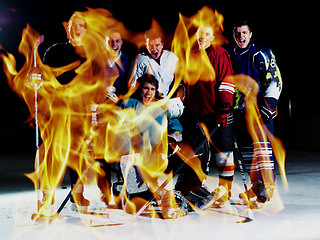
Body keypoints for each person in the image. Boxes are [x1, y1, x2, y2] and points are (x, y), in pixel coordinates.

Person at [176, 25, 235, 208]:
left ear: (212, 37)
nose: (203, 37)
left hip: (217, 113)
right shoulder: (190, 55)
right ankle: (192, 188)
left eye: (207, 34)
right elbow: (184, 83)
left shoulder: (219, 54)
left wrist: (225, 107)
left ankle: (225, 191)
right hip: (196, 114)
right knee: (196, 152)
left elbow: (226, 81)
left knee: (223, 152)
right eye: (200, 34)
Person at [114, 74, 187, 218]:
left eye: (152, 89)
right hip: (130, 157)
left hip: (153, 158)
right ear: (139, 88)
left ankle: (163, 197)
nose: (148, 92)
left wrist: (175, 135)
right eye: (145, 88)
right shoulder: (128, 104)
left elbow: (165, 132)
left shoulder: (159, 110)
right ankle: (135, 195)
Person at [229, 20, 283, 205]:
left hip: (261, 110)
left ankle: (266, 187)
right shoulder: (232, 55)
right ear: (234, 36)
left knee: (263, 147)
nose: (241, 37)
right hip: (242, 112)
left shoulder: (261, 53)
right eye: (237, 33)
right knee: (249, 151)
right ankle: (256, 186)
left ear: (250, 34)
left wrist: (269, 104)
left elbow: (274, 77)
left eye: (244, 33)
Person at [131, 29, 183, 140]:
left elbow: (180, 81)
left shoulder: (171, 58)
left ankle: (174, 135)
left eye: (157, 45)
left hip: (167, 100)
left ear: (162, 44)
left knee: (173, 120)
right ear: (146, 44)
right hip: (147, 100)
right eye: (150, 45)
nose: (154, 48)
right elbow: (132, 85)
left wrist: (178, 96)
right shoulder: (141, 60)